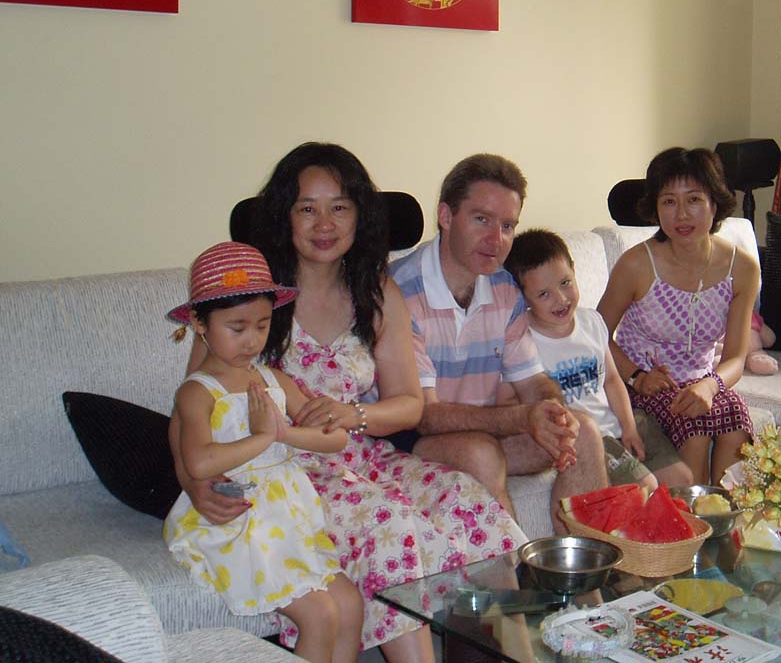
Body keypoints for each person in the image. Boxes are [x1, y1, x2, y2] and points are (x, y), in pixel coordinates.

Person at [170, 143, 526, 661]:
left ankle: (516, 656)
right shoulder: (247, 297)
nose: (324, 223)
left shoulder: (377, 291)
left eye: (340, 207)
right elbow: (191, 408)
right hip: (287, 472)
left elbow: (409, 405)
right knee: (392, 531)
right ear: (284, 216)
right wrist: (193, 484)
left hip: (364, 456)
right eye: (307, 208)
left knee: (472, 503)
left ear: (359, 214)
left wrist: (352, 414)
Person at [164, 242, 363, 663]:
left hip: (290, 522)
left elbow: (337, 439)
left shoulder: (272, 379)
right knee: (320, 614)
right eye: (237, 328)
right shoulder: (199, 391)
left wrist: (286, 434)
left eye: (262, 325)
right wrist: (263, 438)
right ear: (200, 323)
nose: (252, 340)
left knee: (350, 604)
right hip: (240, 526)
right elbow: (199, 461)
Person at [388, 153, 608, 535]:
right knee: (480, 452)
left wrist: (551, 411)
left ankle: (583, 581)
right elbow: (424, 415)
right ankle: (519, 579)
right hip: (413, 443)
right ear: (445, 216)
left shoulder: (505, 288)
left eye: (508, 225)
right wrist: (520, 417)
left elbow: (533, 383)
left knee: (583, 431)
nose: (497, 239)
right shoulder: (399, 292)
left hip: (487, 431)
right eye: (481, 219)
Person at [597, 147, 757, 486]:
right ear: (655, 208)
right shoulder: (637, 265)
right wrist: (638, 377)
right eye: (669, 201)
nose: (682, 214)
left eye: (694, 199)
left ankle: (729, 518)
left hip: (703, 380)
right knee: (694, 425)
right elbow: (596, 335)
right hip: (645, 384)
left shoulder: (741, 268)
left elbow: (736, 359)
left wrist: (710, 386)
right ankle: (693, 524)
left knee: (736, 417)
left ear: (715, 203)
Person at [504, 228, 694, 491]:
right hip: (592, 439)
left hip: (620, 420)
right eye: (543, 294)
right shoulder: (523, 340)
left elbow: (613, 381)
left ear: (574, 269)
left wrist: (629, 427)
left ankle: (681, 529)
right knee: (645, 486)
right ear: (522, 297)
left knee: (683, 480)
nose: (561, 299)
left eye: (565, 283)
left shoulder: (592, 321)